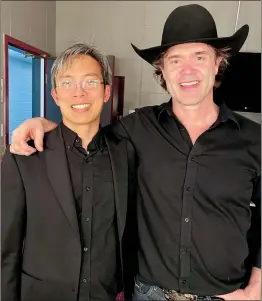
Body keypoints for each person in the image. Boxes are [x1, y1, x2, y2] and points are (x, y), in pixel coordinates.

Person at [8, 4, 261, 301]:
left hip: (226, 295)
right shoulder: (136, 128)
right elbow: (83, 129)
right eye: (175, 60)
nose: (187, 70)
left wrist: (257, 284)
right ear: (162, 70)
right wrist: (41, 123)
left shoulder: (254, 140)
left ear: (218, 63)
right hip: (147, 294)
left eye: (200, 57)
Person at [1, 43, 137, 301]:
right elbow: (5, 248)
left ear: (107, 92)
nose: (79, 93)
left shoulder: (126, 154)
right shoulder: (25, 157)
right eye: (67, 83)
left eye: (90, 82)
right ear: (55, 95)